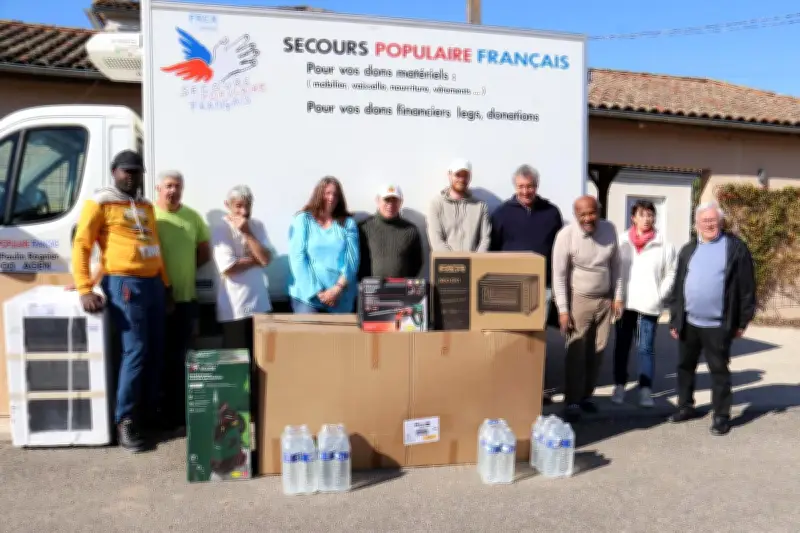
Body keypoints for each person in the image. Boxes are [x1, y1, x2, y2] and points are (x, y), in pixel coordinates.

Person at [72, 149, 173, 453]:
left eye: (136, 171)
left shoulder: (145, 205)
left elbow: (154, 243)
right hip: (125, 284)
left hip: (153, 284)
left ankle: (148, 413)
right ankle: (125, 420)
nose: (131, 176)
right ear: (114, 171)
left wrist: (166, 284)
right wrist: (84, 287)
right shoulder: (100, 202)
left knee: (156, 350)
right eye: (125, 171)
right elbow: (82, 244)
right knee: (136, 351)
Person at [667, 201, 756, 436]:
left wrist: (742, 321)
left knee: (719, 370)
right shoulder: (688, 249)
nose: (709, 224)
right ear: (696, 224)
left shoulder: (735, 248)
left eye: (713, 220)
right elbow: (678, 287)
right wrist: (675, 318)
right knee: (685, 367)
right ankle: (685, 406)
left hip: (718, 324)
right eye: (704, 220)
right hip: (689, 322)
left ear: (720, 222)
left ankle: (721, 416)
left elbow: (747, 287)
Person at [489, 164, 563, 406]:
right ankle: (509, 387)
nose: (526, 191)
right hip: (510, 286)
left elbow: (557, 250)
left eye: (530, 186)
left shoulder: (551, 212)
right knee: (513, 338)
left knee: (537, 339)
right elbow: (493, 250)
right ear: (515, 187)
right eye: (521, 186)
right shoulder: (501, 213)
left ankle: (536, 389)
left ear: (537, 187)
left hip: (542, 285)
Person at [552, 195, 623, 422]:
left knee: (598, 351)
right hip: (579, 300)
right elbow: (559, 276)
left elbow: (617, 267)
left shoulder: (610, 230)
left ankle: (586, 397)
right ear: (575, 215)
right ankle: (572, 401)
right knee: (576, 352)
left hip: (605, 300)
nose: (588, 218)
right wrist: (563, 310)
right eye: (582, 214)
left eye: (592, 213)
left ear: (599, 211)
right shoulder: (566, 236)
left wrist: (618, 297)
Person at [154, 170, 211, 430]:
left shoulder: (193, 217)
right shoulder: (149, 216)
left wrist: (185, 271)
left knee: (183, 360)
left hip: (186, 299)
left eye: (177, 186)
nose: (172, 191)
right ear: (158, 188)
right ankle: (158, 416)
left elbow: (204, 253)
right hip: (156, 300)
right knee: (157, 358)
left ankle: (179, 417)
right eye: (168, 186)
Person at [611, 200, 677, 408]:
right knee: (621, 346)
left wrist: (660, 295)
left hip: (649, 304)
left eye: (650, 215)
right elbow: (614, 271)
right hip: (625, 302)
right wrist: (615, 296)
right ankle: (620, 386)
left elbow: (671, 273)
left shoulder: (664, 244)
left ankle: (645, 390)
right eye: (642, 214)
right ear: (633, 218)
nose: (647, 219)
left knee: (645, 348)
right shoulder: (621, 242)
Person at [211, 185, 272, 354]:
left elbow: (266, 259)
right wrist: (255, 259)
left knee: (262, 356)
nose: (244, 211)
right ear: (227, 205)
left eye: (248, 205)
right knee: (236, 359)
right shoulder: (221, 229)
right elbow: (228, 267)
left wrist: (247, 233)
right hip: (235, 307)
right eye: (238, 206)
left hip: (260, 304)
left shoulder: (257, 226)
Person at [288, 176, 359, 313]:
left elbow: (352, 260)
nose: (331, 198)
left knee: (338, 335)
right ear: (319, 194)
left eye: (335, 195)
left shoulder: (348, 223)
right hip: (307, 297)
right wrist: (317, 292)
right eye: (327, 193)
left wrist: (337, 289)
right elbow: (297, 258)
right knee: (309, 334)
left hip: (340, 296)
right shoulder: (303, 220)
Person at [358, 184, 424, 280]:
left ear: (401, 202)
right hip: (371, 289)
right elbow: (357, 261)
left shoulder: (410, 230)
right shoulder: (364, 228)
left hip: (400, 289)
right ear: (378, 200)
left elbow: (417, 262)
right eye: (387, 200)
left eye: (395, 200)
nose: (390, 204)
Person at [427, 158, 491, 252]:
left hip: (474, 264)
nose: (461, 179)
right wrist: (456, 263)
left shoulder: (480, 206)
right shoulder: (436, 204)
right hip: (447, 265)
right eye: (457, 175)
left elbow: (485, 239)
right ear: (449, 175)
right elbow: (436, 240)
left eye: (465, 175)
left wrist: (476, 261)